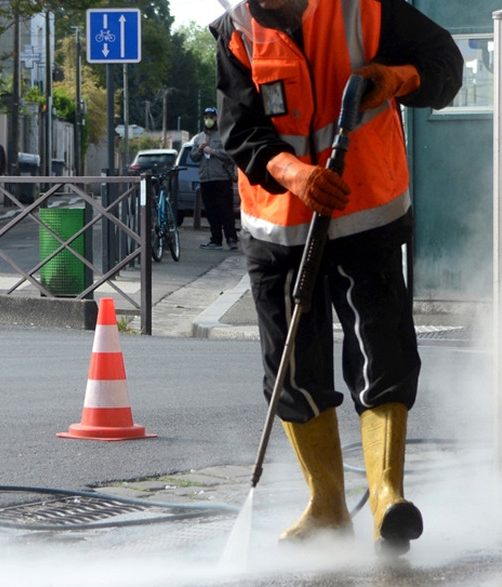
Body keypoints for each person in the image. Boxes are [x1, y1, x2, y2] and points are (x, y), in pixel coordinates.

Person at [212, 0, 462, 555]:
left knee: (382, 355)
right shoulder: (237, 32)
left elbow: (445, 62)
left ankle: (386, 498)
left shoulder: (363, 8)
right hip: (277, 229)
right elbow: (240, 129)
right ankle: (326, 506)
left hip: (366, 211)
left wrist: (396, 79)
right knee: (292, 372)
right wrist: (294, 173)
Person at [189, 107, 239, 250]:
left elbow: (230, 155)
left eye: (211, 116)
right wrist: (199, 149)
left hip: (222, 178)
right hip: (206, 179)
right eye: (206, 117)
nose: (208, 120)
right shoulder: (199, 137)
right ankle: (215, 240)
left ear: (216, 118)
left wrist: (214, 151)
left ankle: (231, 239)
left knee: (226, 211)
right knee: (211, 211)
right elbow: (193, 157)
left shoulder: (223, 135)